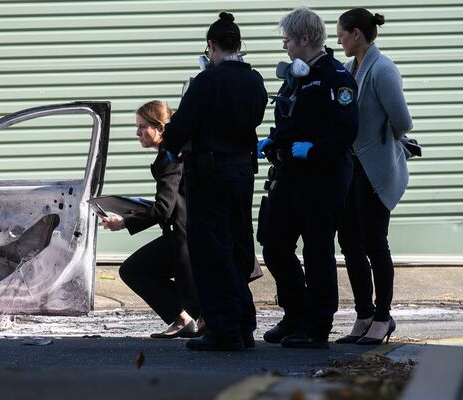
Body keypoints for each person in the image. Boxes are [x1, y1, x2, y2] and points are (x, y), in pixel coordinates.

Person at [162, 12, 268, 351]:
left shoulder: (206, 81)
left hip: (210, 174)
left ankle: (223, 329)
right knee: (239, 246)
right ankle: (244, 324)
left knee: (211, 251)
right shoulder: (255, 80)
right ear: (239, 45)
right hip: (242, 171)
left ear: (212, 46)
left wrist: (170, 148)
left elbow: (181, 128)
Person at [256, 7, 359, 348]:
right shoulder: (296, 76)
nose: (285, 47)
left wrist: (313, 150)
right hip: (290, 172)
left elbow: (346, 131)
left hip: (322, 176)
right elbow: (290, 119)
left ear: (305, 39)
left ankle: (317, 325)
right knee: (274, 243)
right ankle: (295, 313)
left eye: (287, 40)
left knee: (317, 250)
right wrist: (276, 139)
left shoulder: (335, 77)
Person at [335, 8, 412, 345]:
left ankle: (383, 316)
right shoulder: (351, 68)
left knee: (374, 242)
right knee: (349, 241)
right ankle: (364, 313)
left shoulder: (382, 69)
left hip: (375, 168)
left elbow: (402, 121)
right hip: (351, 168)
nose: (338, 39)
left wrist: (381, 140)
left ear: (356, 34)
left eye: (341, 33)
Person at [102, 100, 203, 339]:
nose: (137, 133)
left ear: (160, 128)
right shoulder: (171, 154)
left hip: (184, 236)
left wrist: (125, 221)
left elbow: (164, 208)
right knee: (138, 270)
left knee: (133, 270)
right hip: (182, 234)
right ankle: (186, 316)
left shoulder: (169, 158)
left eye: (142, 126)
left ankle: (187, 316)